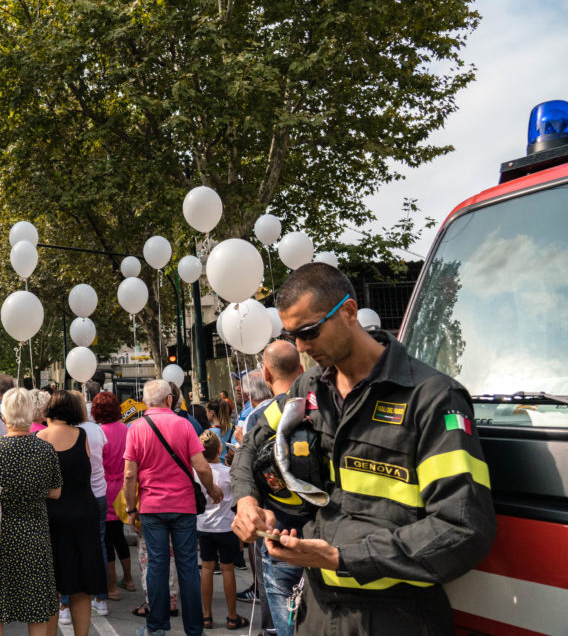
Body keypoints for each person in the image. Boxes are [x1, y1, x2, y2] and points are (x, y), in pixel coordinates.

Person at [232, 263, 497, 634]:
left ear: (349, 312)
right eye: (292, 335)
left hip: (397, 616)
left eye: (309, 331)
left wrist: (340, 558)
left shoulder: (431, 398)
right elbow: (250, 445)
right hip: (318, 612)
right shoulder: (309, 388)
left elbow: (463, 528)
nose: (302, 347)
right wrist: (247, 502)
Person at [123, 379, 223, 636]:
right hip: (183, 506)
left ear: (146, 402)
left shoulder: (136, 428)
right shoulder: (184, 425)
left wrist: (131, 508)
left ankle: (156, 626)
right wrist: (212, 490)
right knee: (188, 566)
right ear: (170, 400)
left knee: (157, 566)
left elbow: (129, 475)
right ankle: (194, 629)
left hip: (151, 507)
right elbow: (201, 466)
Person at [0, 388, 62, 636]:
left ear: (6, 415)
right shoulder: (45, 449)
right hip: (34, 535)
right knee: (37, 607)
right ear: (31, 413)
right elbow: (55, 492)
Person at [240, 340, 305, 636]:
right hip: (325, 536)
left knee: (284, 622)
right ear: (302, 369)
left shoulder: (261, 417)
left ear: (265, 375)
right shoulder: (320, 405)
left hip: (278, 533)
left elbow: (244, 458)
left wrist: (246, 501)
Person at [37, 392, 106, 634]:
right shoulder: (83, 435)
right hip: (83, 514)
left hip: (51, 516)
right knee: (82, 585)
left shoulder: (40, 438)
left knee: (51, 587)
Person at [195, 431, 247, 630]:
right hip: (226, 527)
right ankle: (232, 616)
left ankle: (206, 615)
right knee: (227, 569)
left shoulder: (196, 472)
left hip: (204, 525)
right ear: (220, 449)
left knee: (206, 569)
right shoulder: (228, 473)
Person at [92, 391, 134, 600]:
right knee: (119, 536)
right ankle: (129, 578)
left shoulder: (100, 433)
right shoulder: (126, 429)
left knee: (106, 538)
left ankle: (112, 587)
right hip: (124, 485)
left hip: (106, 486)